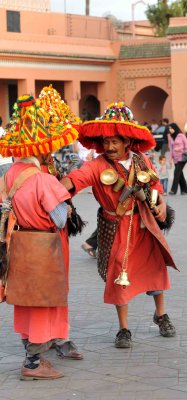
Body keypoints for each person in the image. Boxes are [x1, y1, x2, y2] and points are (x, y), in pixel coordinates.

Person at [61, 102, 177, 348]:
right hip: (116, 228)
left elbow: (156, 187)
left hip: (144, 225)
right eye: (106, 142)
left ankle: (161, 314)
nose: (110, 146)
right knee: (118, 275)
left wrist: (162, 204)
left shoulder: (142, 160)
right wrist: (53, 187)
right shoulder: (96, 165)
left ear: (127, 141)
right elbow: (76, 180)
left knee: (155, 269)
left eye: (115, 141)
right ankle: (124, 329)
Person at [0, 94, 83, 380]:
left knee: (26, 298)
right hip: (42, 245)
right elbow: (59, 218)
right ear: (42, 149)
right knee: (42, 300)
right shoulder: (42, 179)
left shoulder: (10, 174)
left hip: (20, 243)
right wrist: (68, 209)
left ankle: (34, 349)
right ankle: (33, 362)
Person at [168, 123, 187, 196]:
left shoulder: (181, 136)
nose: (170, 130)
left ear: (175, 128)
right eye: (169, 128)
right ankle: (184, 190)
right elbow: (171, 149)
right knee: (180, 174)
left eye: (171, 128)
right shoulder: (171, 137)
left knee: (176, 173)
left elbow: (186, 145)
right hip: (175, 159)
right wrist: (170, 159)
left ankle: (173, 190)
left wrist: (179, 149)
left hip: (182, 158)